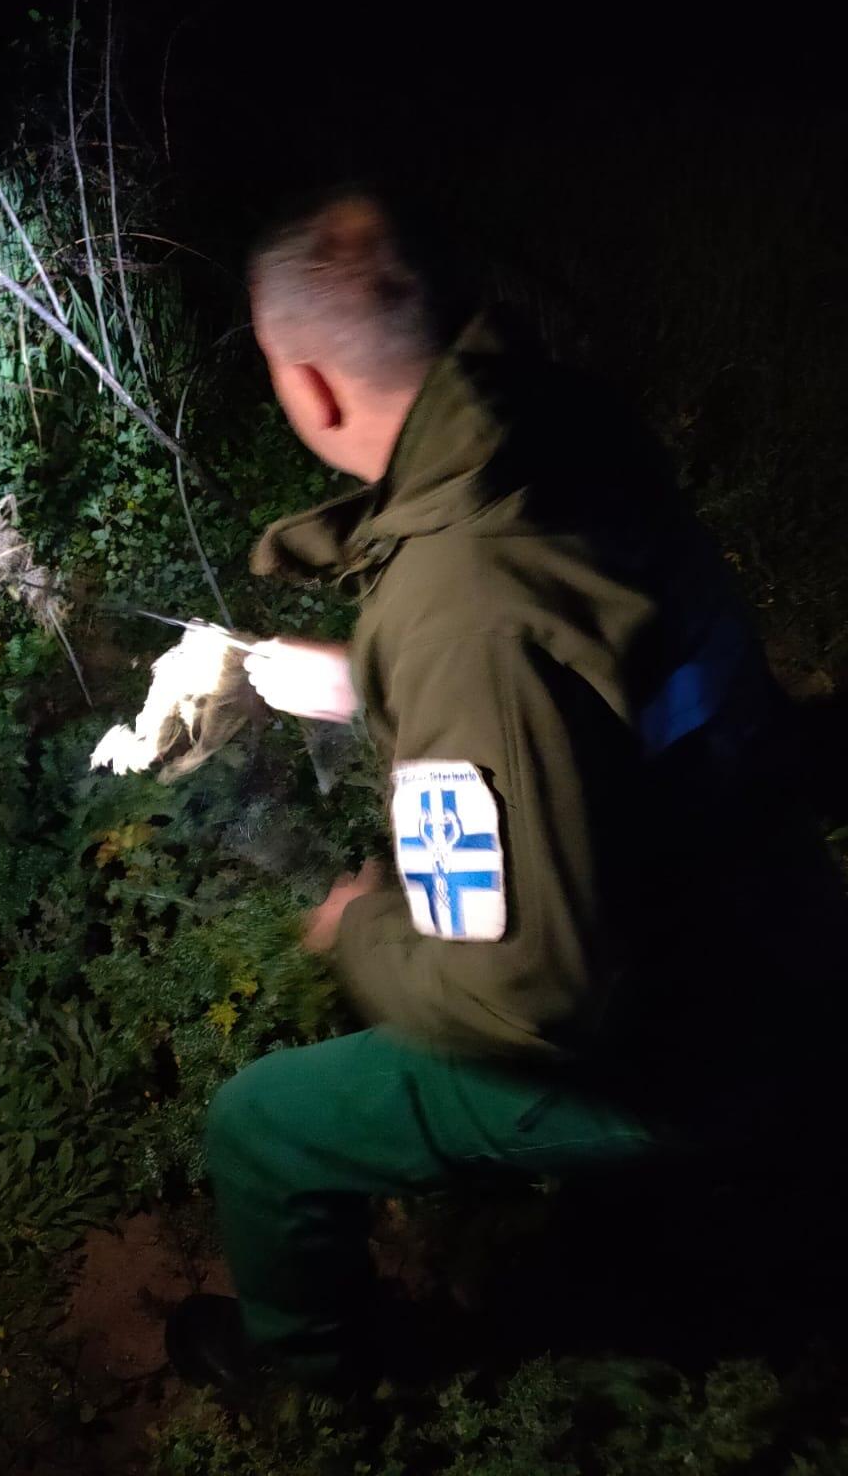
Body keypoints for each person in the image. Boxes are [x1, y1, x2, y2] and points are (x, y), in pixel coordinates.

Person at [164, 190, 847, 1402]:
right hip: (784, 917)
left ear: (309, 387)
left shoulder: (459, 609)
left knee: (263, 1123)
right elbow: (575, 670)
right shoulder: (561, 434)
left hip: (700, 1038)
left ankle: (311, 1377)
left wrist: (360, 929)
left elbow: (528, 994)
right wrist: (369, 677)